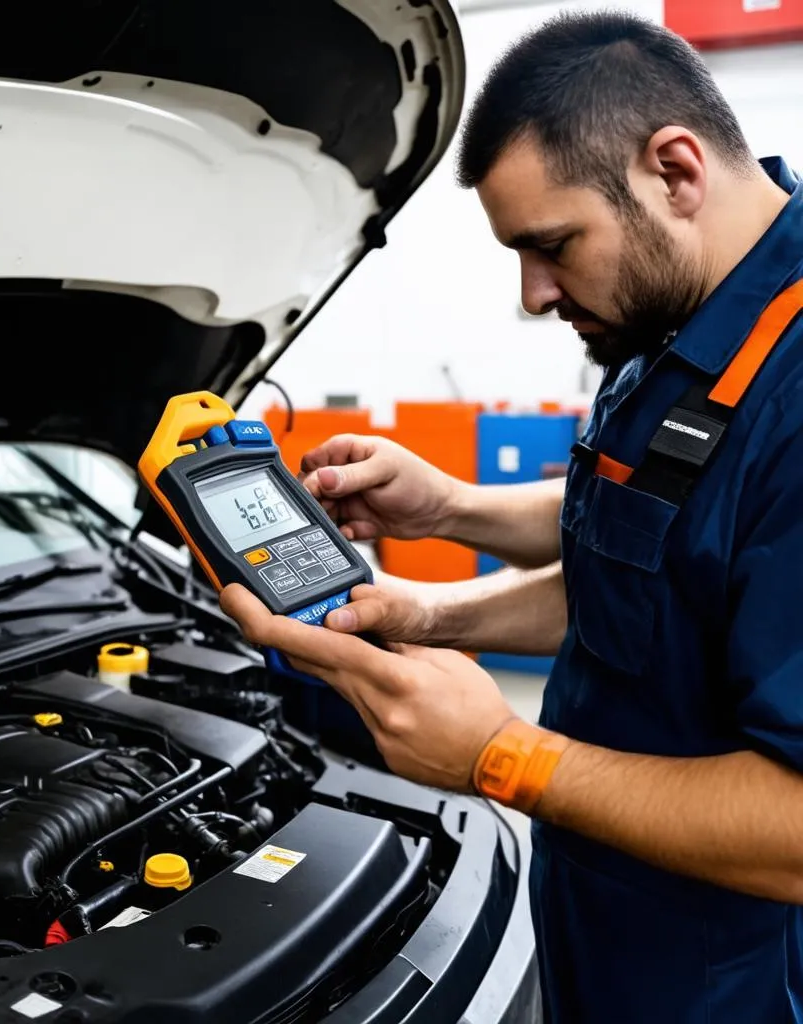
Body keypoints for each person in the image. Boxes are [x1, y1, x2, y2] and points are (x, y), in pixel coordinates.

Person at [220, 11, 803, 1024]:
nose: (534, 295)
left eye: (551, 246)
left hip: (730, 974)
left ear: (675, 171)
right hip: (604, 918)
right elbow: (654, 545)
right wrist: (444, 526)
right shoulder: (682, 316)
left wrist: (500, 753)